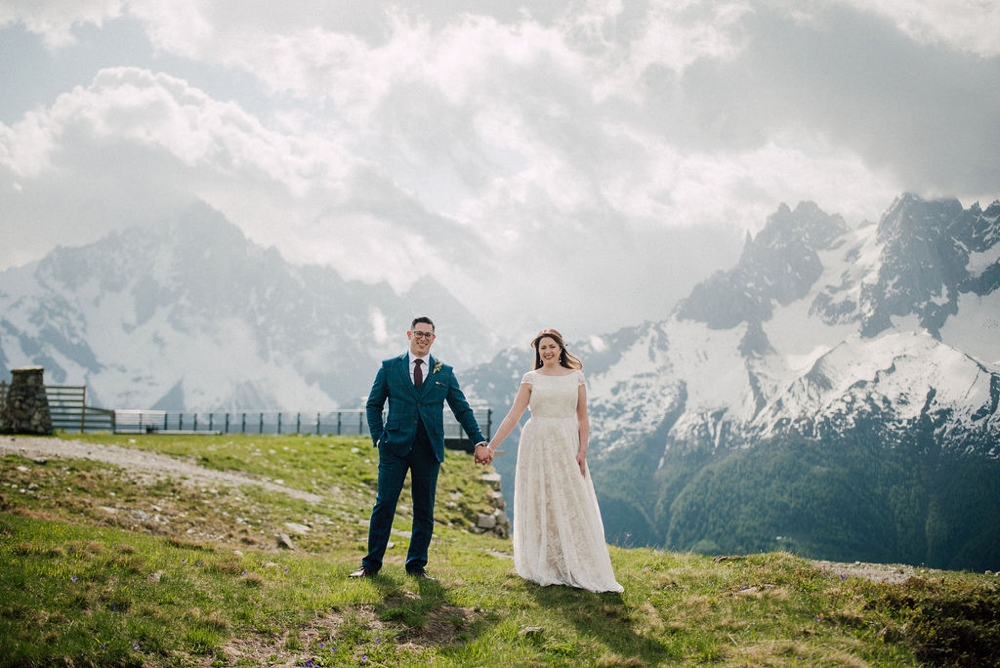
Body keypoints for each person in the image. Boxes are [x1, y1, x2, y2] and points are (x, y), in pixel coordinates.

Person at [476, 328, 623, 593]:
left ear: (561, 348)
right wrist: (491, 446)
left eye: (551, 346)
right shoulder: (531, 378)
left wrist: (582, 451)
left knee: (570, 498)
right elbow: (513, 416)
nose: (547, 351)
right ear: (538, 352)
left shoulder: (576, 377)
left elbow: (583, 418)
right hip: (537, 442)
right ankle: (546, 561)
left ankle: (575, 561)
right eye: (542, 348)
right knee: (541, 499)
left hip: (567, 442)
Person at [351, 316, 487, 580]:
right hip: (393, 447)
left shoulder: (444, 371)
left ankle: (416, 567)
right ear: (409, 335)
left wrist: (479, 441)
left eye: (428, 335)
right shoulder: (390, 367)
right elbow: (373, 405)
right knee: (384, 504)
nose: (423, 338)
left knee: (424, 509)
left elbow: (462, 409)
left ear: (433, 339)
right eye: (418, 333)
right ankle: (370, 565)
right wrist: (379, 437)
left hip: (428, 449)